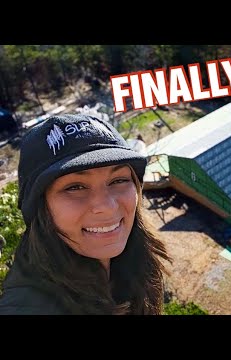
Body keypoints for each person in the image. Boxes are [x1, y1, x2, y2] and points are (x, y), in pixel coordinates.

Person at [0, 114, 171, 314]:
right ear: (40, 207)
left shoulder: (137, 260)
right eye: (75, 187)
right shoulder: (29, 305)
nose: (107, 206)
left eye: (118, 180)